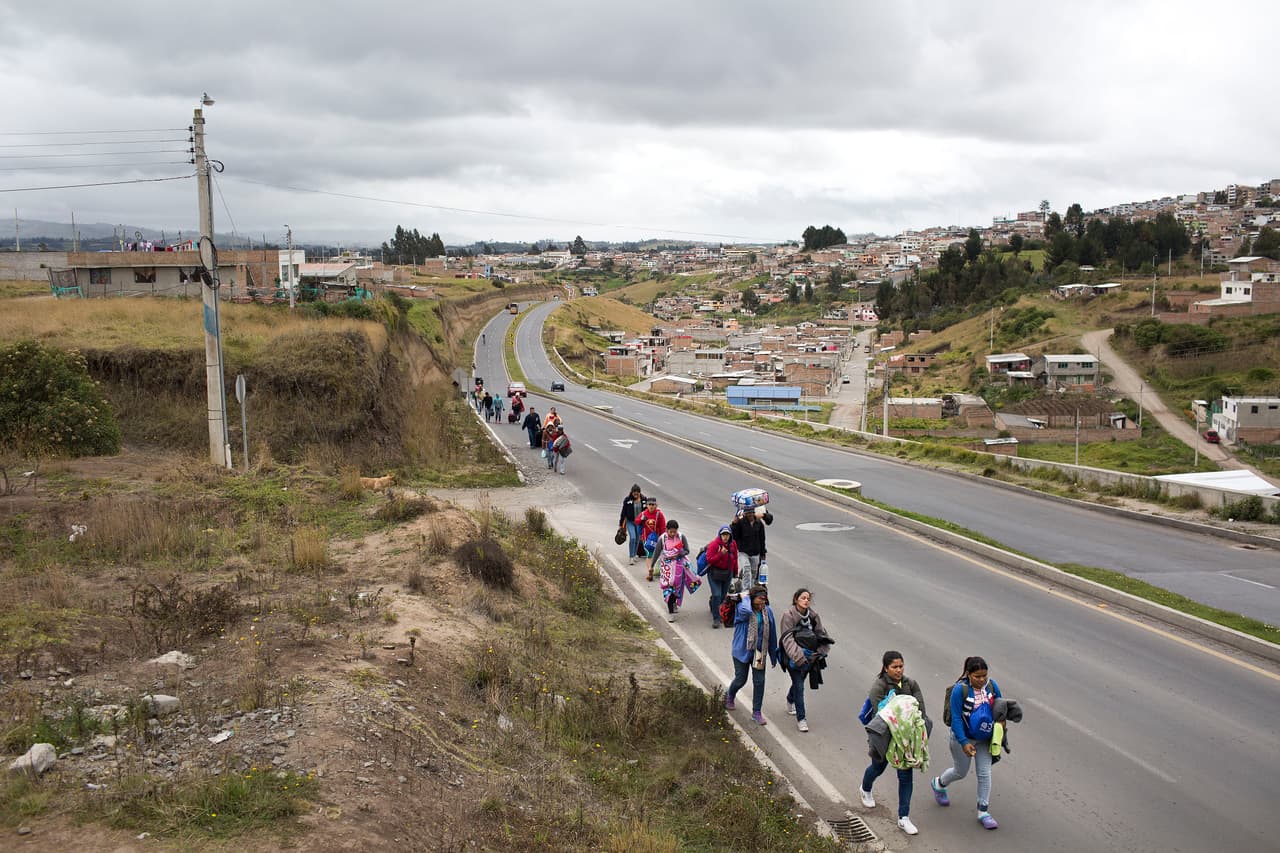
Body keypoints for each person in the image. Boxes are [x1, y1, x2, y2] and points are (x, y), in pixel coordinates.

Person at [931, 656, 1003, 831]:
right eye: (977, 676)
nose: (982, 680)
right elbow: (956, 718)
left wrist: (1001, 730)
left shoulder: (992, 686)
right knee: (960, 772)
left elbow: (1001, 709)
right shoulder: (960, 690)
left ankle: (983, 811)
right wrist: (963, 742)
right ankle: (939, 783)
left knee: (984, 773)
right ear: (969, 674)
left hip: (985, 739)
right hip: (962, 738)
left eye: (984, 676)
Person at [860, 651, 926, 836]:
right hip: (884, 737)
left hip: (905, 741)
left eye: (901, 666)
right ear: (886, 668)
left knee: (905, 778)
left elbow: (920, 711)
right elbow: (883, 713)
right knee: (878, 768)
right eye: (894, 667)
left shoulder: (910, 684)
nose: (898, 670)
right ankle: (865, 789)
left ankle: (903, 817)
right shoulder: (878, 687)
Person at [725, 584, 778, 725]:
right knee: (741, 679)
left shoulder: (768, 611)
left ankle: (756, 712)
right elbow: (746, 611)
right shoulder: (743, 609)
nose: (762, 603)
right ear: (752, 598)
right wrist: (746, 596)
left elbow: (772, 633)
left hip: (759, 652)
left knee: (759, 682)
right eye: (759, 600)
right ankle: (730, 694)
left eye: (764, 600)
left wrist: (773, 654)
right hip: (742, 650)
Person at [778, 588, 828, 733]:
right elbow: (787, 639)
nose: (806, 600)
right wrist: (799, 657)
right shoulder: (788, 616)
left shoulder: (814, 616)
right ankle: (802, 719)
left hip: (811, 657)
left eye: (808, 598)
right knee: (799, 686)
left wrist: (820, 652)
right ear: (796, 600)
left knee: (799, 682)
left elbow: (820, 634)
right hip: (793, 658)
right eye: (803, 598)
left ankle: (789, 698)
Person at [650, 519, 696, 621]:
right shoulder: (662, 539)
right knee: (668, 588)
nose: (672, 534)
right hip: (667, 567)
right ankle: (671, 612)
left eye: (674, 531)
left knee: (676, 588)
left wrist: (680, 554)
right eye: (670, 531)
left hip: (679, 566)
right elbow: (656, 553)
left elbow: (687, 550)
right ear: (666, 530)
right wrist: (652, 565)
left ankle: (674, 601)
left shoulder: (681, 537)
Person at [703, 525, 737, 629]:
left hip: (727, 574)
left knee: (722, 596)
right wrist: (720, 554)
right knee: (717, 594)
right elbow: (709, 560)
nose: (725, 537)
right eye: (723, 535)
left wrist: (735, 572)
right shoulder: (714, 545)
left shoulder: (733, 544)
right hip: (714, 573)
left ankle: (714, 604)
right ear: (720, 535)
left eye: (727, 535)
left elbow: (735, 558)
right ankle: (716, 618)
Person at [730, 507, 767, 589]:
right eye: (748, 513)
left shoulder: (759, 523)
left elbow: (762, 539)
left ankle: (751, 589)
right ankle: (746, 591)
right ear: (745, 514)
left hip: (755, 553)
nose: (750, 515)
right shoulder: (740, 523)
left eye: (751, 513)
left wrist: (763, 553)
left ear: (754, 513)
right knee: (746, 570)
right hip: (743, 552)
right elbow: (734, 536)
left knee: (754, 572)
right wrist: (734, 524)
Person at [636, 498, 667, 580]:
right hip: (646, 539)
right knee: (649, 554)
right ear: (646, 505)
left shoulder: (659, 514)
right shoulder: (643, 513)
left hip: (657, 539)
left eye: (653, 504)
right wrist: (641, 519)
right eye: (649, 504)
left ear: (656, 505)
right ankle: (650, 569)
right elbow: (636, 521)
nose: (651, 506)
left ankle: (652, 568)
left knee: (655, 555)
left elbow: (663, 527)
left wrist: (663, 538)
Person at [617, 485, 646, 565]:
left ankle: (634, 554)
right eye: (634, 493)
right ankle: (631, 557)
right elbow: (623, 512)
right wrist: (621, 524)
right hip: (630, 522)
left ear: (640, 493)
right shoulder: (627, 500)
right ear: (632, 492)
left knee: (637, 539)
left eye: (637, 493)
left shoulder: (644, 500)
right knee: (632, 537)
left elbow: (646, 511)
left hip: (639, 523)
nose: (636, 494)